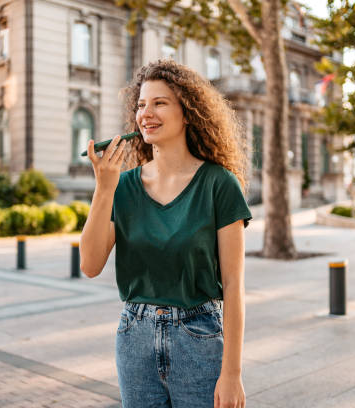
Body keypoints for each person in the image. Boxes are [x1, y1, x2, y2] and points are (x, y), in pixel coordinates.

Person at [79, 59, 251, 408]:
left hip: (198, 337)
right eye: (141, 105)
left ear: (187, 112)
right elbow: (90, 264)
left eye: (160, 103)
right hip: (134, 338)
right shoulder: (123, 187)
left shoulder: (219, 185)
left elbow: (233, 285)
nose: (146, 113)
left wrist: (231, 373)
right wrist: (104, 189)